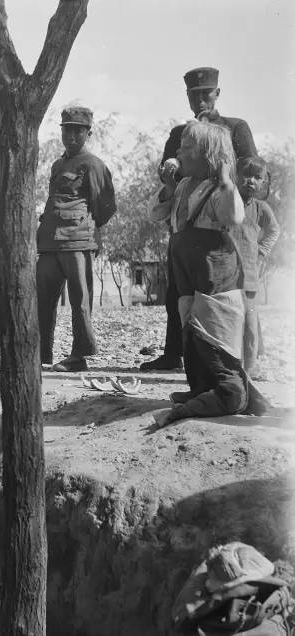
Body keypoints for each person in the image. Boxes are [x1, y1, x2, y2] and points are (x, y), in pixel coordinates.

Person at [150, 121, 266, 428]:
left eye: (187, 148)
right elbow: (155, 213)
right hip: (188, 274)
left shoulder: (217, 189)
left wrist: (227, 182)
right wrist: (169, 188)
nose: (179, 153)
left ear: (209, 156)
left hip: (215, 276)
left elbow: (233, 216)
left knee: (213, 329)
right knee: (190, 325)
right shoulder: (183, 186)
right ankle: (201, 387)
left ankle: (223, 394)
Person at [142, 66, 258, 371]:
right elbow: (167, 174)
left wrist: (227, 188)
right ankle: (177, 353)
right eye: (194, 95)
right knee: (180, 294)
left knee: (229, 297)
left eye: (206, 93)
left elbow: (253, 172)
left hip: (226, 219)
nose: (201, 100)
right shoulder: (180, 134)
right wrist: (171, 168)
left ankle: (240, 364)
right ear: (188, 97)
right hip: (186, 221)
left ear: (217, 93)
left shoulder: (236, 128)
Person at [36, 104, 116, 372]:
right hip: (50, 242)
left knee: (79, 301)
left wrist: (88, 228)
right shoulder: (58, 164)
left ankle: (79, 356)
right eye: (66, 130)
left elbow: (105, 205)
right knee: (43, 299)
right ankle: (40, 354)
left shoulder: (93, 164)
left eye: (77, 131)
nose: (70, 136)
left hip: (77, 241)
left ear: (88, 133)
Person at [230, 157, 280, 377]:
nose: (250, 181)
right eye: (245, 175)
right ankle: (228, 371)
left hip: (249, 276)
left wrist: (261, 251)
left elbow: (274, 230)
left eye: (257, 177)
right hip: (224, 274)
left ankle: (249, 369)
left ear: (263, 182)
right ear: (235, 176)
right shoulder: (226, 202)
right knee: (228, 322)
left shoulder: (260, 208)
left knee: (250, 325)